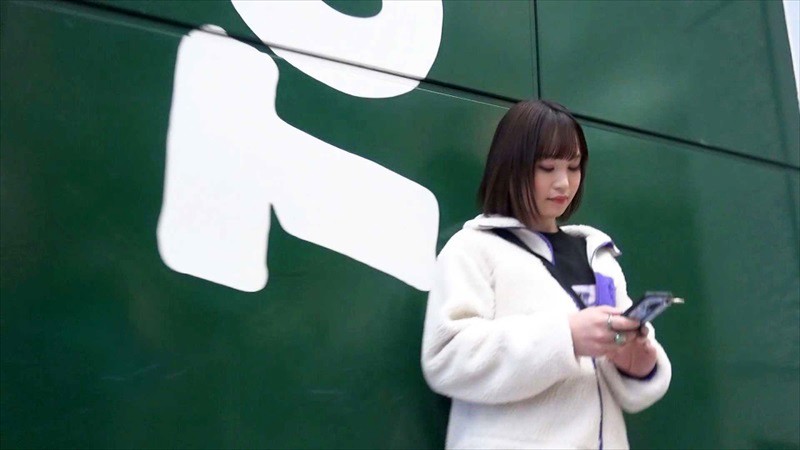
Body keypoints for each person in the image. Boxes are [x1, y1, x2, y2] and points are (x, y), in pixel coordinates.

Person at [421, 99, 672, 449]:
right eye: (547, 168)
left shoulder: (598, 257)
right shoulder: (472, 249)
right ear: (511, 167)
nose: (563, 183)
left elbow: (624, 388)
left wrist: (637, 363)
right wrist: (566, 337)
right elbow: (446, 358)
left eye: (574, 167)